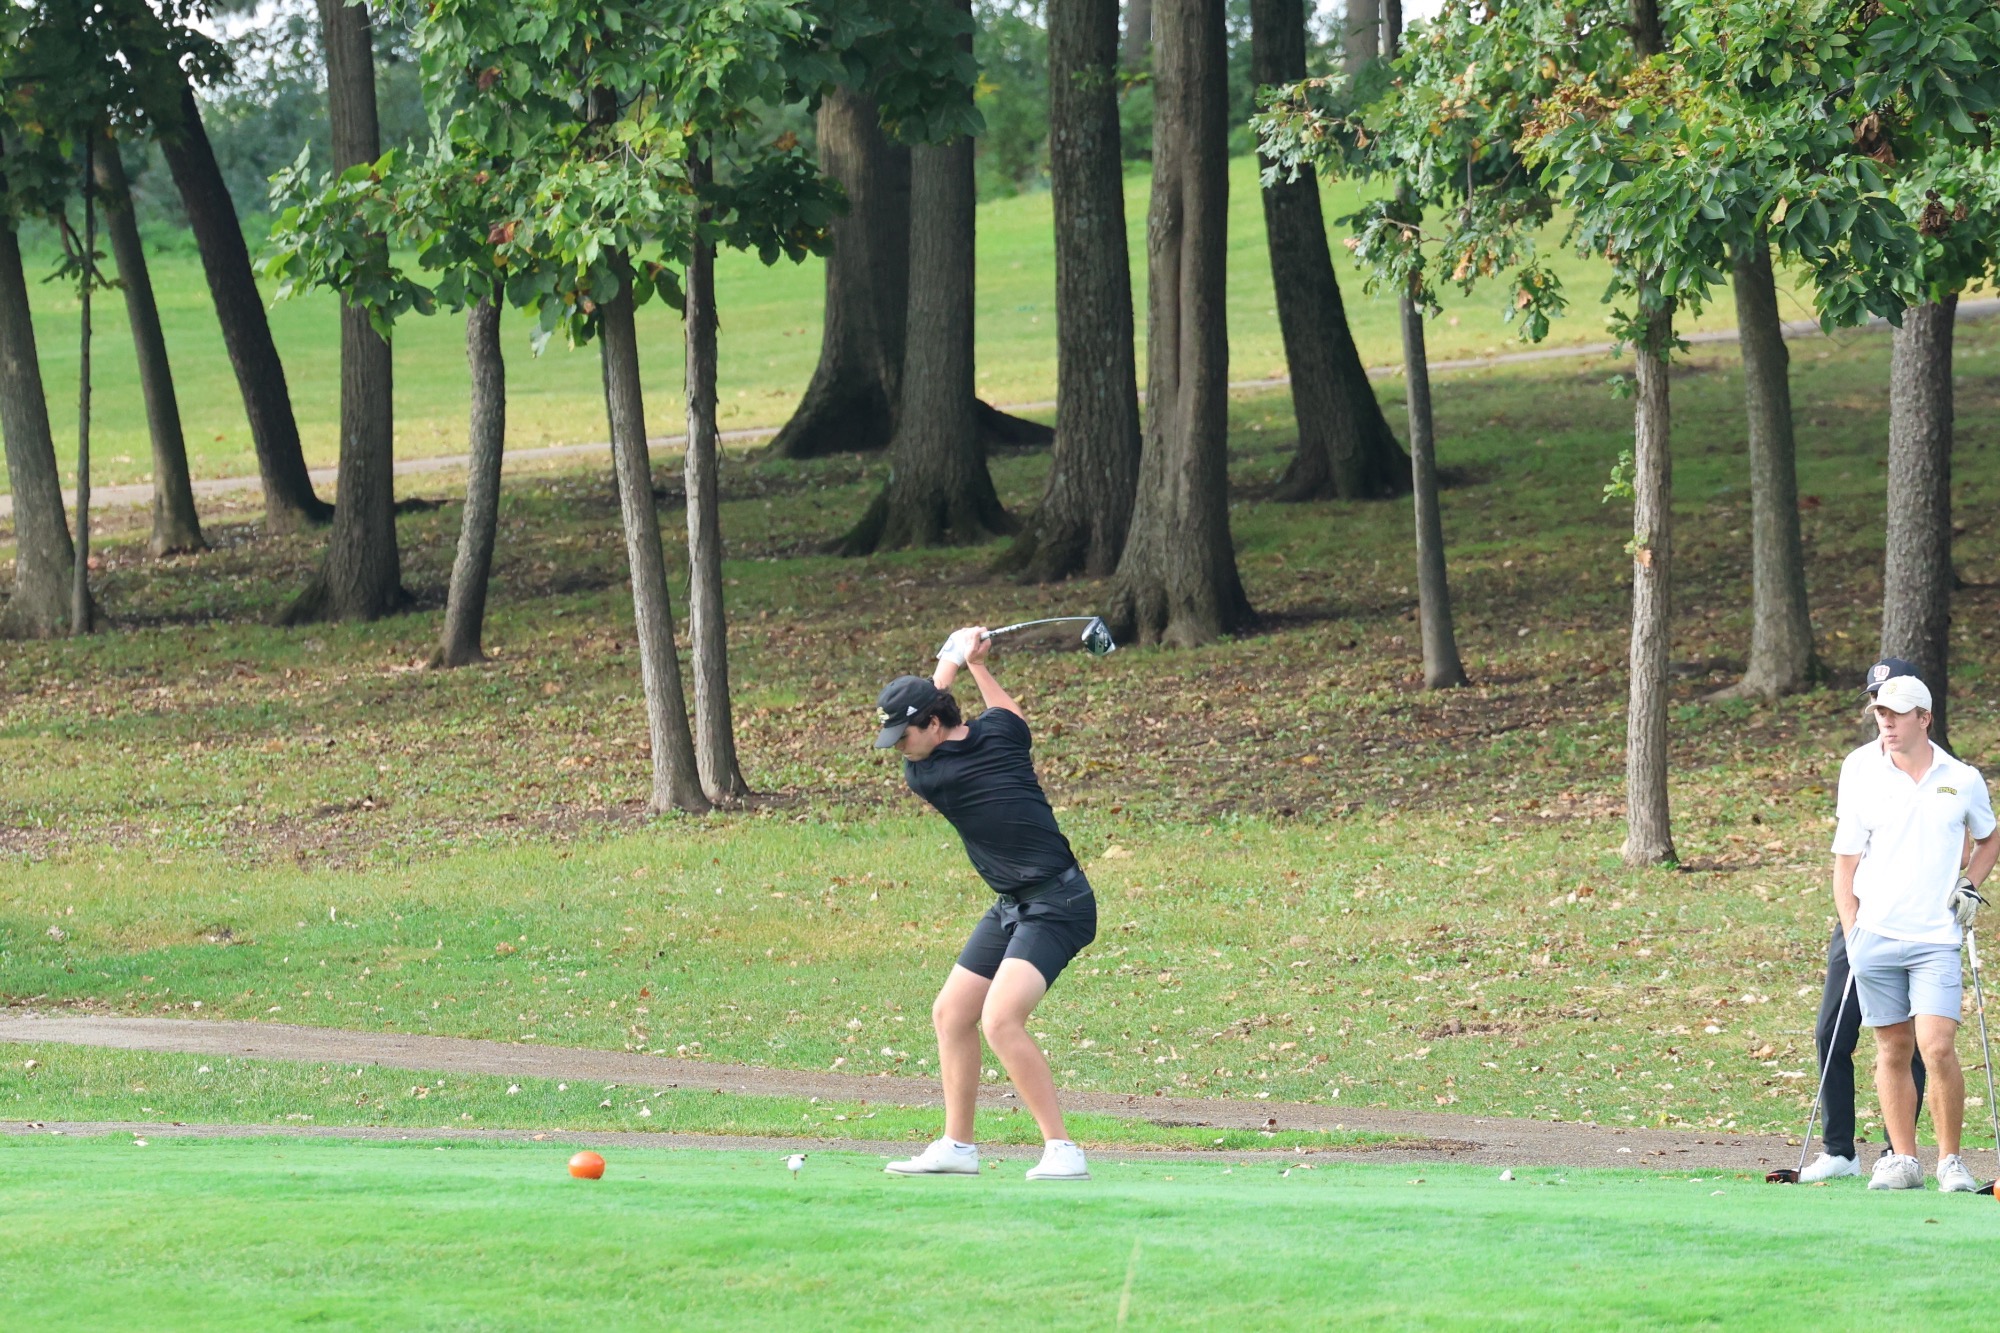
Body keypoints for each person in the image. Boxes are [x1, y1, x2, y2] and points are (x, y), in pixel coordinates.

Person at [871, 626, 1097, 1182]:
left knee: (999, 1019)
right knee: (951, 1013)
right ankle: (958, 1146)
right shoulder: (1000, 735)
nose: (898, 748)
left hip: (1060, 902)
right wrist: (973, 663)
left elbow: (954, 703)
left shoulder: (933, 774)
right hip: (1014, 904)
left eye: (903, 735)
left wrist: (953, 658)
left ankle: (1063, 1149)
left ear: (932, 724)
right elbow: (1008, 712)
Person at [1832, 672, 1998, 1191]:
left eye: (1897, 714)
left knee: (1938, 1046)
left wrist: (1969, 883)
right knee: (1892, 1048)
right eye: (1880, 714)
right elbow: (1845, 864)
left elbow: (1990, 839)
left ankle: (1950, 1161)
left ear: (1924, 718)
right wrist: (1853, 932)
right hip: (1876, 936)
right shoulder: (1865, 777)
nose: (1886, 723)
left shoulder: (1962, 778)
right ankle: (1903, 1159)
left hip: (1936, 939)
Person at [1795, 657, 1931, 1182]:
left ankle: (1899, 1151)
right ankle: (1839, 1151)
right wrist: (1851, 924)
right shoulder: (1857, 765)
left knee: (1906, 1037)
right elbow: (1848, 849)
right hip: (1860, 913)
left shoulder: (1937, 766)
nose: (1883, 713)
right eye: (1876, 703)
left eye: (1891, 703)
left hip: (1914, 921)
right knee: (1833, 1030)